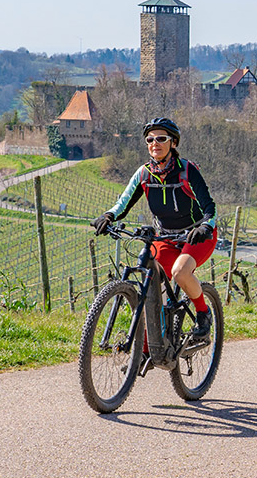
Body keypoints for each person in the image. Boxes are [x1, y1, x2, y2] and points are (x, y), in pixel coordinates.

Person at [91, 118, 217, 338]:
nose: (154, 143)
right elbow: (123, 202)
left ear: (173, 143)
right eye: (150, 139)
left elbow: (209, 207)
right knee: (149, 286)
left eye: (161, 138)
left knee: (180, 272)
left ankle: (203, 312)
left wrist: (206, 226)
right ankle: (148, 349)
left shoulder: (187, 170)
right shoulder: (144, 174)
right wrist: (108, 215)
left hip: (197, 236)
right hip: (166, 238)